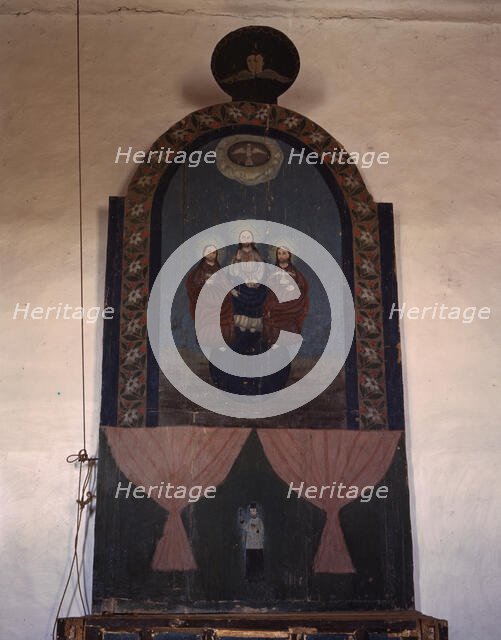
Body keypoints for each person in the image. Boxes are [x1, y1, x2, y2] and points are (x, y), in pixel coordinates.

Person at [185, 245, 233, 346]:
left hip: (218, 299)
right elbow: (192, 283)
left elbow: (225, 284)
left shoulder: (219, 269)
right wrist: (204, 283)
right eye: (209, 252)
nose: (211, 255)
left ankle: (220, 342)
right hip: (205, 300)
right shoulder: (199, 269)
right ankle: (206, 341)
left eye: (213, 253)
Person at [263, 246, 309, 348]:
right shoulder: (272, 272)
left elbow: (303, 288)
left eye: (284, 253)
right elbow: (268, 289)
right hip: (275, 307)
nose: (281, 256)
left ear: (289, 255)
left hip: (290, 308)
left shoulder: (296, 273)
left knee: (286, 344)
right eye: (279, 253)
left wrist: (292, 287)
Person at [238, 503, 264, 580]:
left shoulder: (259, 521)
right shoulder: (249, 521)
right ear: (250, 512)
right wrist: (241, 517)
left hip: (258, 546)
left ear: (256, 511)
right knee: (250, 563)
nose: (253, 512)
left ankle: (259, 576)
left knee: (258, 563)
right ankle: (250, 577)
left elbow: (259, 531)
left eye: (254, 510)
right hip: (249, 546)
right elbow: (245, 527)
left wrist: (253, 528)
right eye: (251, 511)